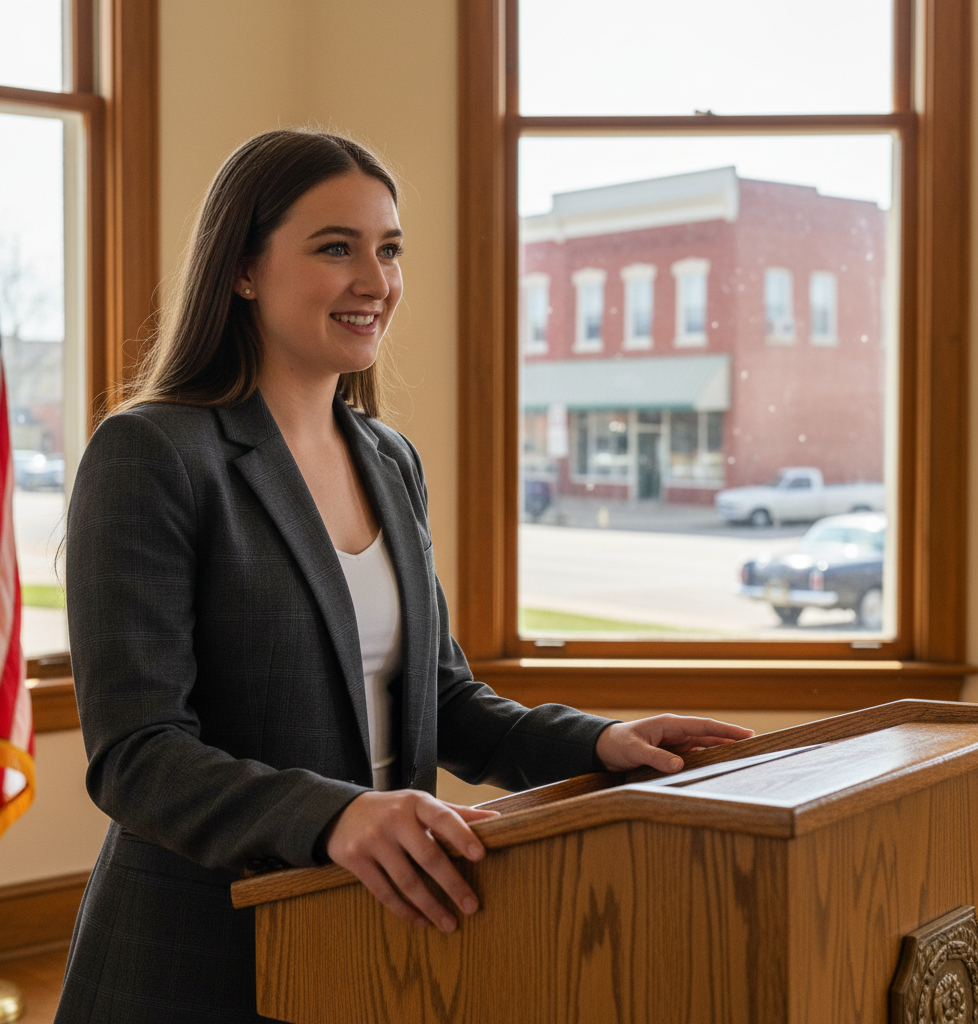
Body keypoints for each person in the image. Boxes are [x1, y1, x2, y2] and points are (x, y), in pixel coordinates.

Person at [53, 128, 753, 1023]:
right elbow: (136, 755)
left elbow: (443, 697)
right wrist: (336, 816)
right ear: (242, 269)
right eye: (335, 248)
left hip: (378, 945)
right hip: (198, 958)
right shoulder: (152, 453)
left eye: (388, 250)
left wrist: (595, 744)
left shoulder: (390, 459)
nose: (376, 282)